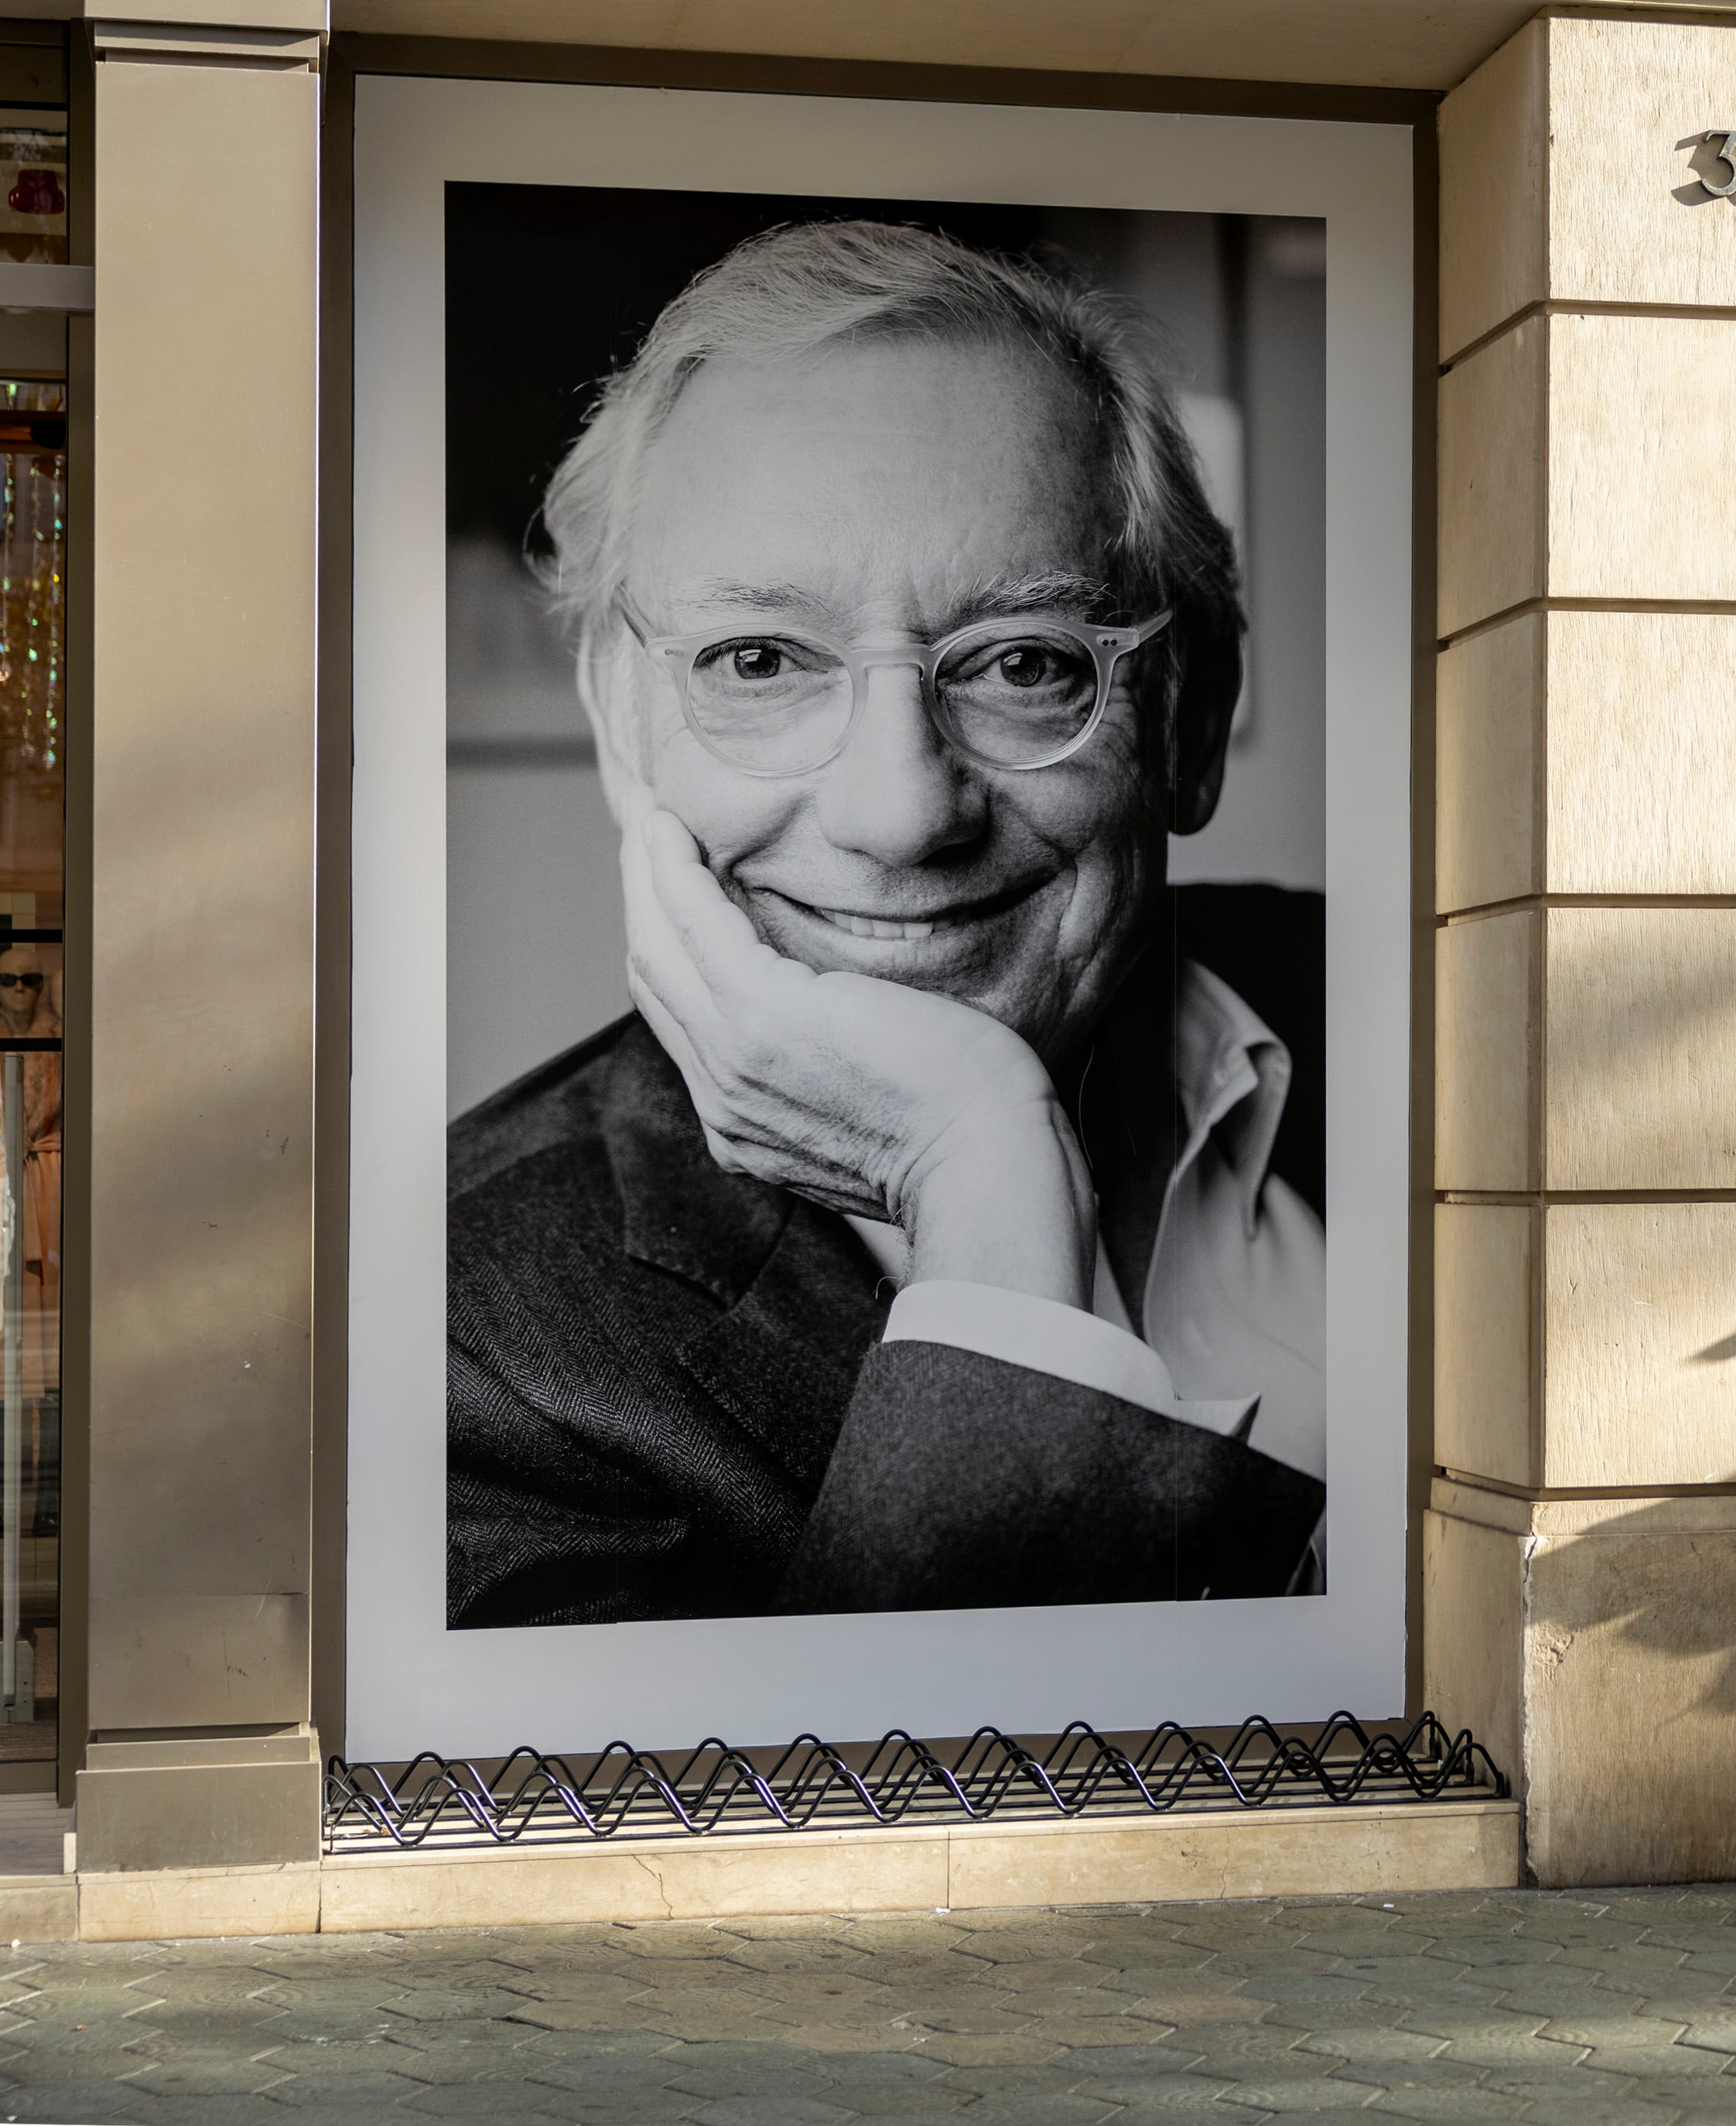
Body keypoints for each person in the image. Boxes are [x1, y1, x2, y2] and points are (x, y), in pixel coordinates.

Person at [446, 219, 1327, 1627]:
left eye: (1025, 663)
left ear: (1190, 721)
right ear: (624, 729)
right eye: (758, 661)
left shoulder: (1413, 1026)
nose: (902, 811)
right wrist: (982, 1191)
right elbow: (927, 1844)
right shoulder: (456, 1343)